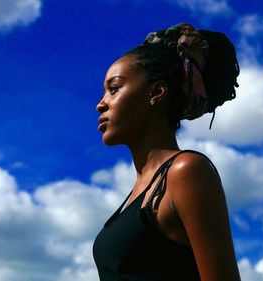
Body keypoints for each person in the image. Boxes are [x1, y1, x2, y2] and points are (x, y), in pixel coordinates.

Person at [93, 23, 241, 281]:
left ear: (156, 92)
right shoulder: (139, 191)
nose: (100, 104)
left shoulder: (186, 172)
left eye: (114, 89)